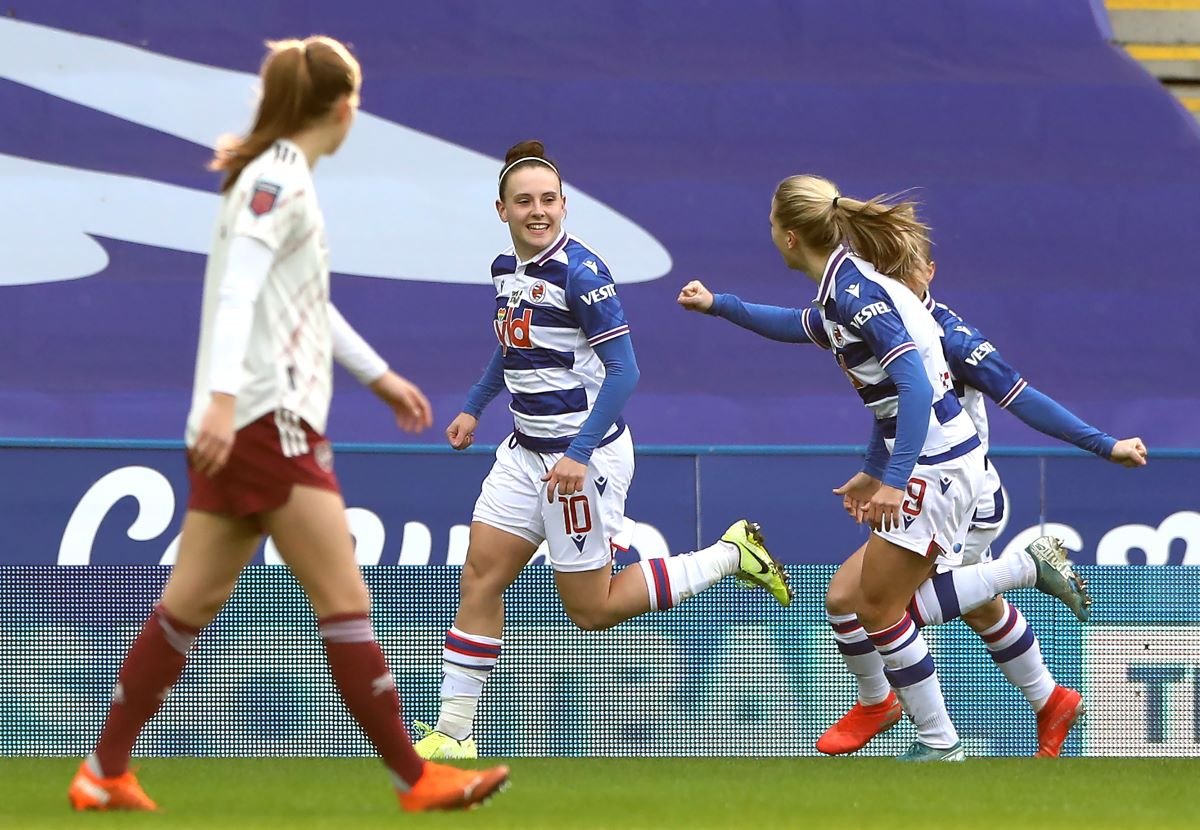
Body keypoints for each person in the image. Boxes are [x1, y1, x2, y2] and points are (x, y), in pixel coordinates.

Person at [67, 36, 508, 813]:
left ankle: (103, 770)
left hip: (247, 426)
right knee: (344, 601)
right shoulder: (279, 181)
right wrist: (228, 401)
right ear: (342, 107)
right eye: (357, 100)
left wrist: (379, 377)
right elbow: (239, 291)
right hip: (269, 426)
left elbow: (303, 302)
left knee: (188, 606)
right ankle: (416, 776)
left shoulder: (275, 177)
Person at [679, 174, 1091, 761]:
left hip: (942, 470)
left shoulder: (860, 294)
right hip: (939, 464)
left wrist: (893, 480)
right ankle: (1015, 698)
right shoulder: (843, 289)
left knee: (880, 607)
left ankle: (942, 735)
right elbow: (810, 336)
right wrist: (719, 305)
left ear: (789, 236)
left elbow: (917, 391)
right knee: (847, 597)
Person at [412, 140, 792, 761]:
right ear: (501, 210)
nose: (539, 211)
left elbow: (625, 373)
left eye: (549, 200)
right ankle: (454, 733)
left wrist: (580, 453)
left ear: (564, 205)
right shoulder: (505, 269)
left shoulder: (582, 274)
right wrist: (473, 406)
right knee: (481, 572)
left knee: (591, 609)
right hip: (524, 451)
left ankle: (730, 554)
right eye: (525, 201)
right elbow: (512, 346)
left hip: (582, 461)